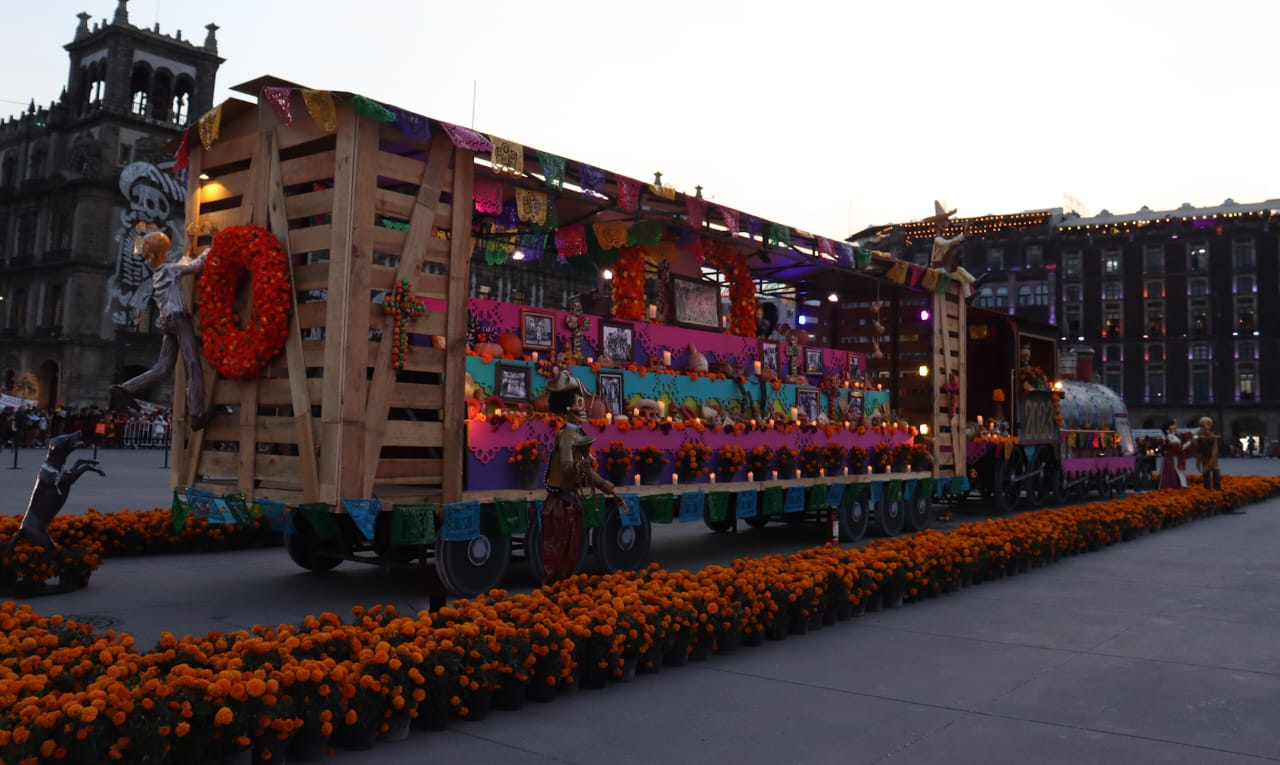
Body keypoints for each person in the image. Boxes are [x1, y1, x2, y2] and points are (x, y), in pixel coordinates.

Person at [109, 231, 215, 431]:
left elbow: (181, 265)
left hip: (166, 322)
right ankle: (197, 413)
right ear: (163, 252)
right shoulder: (170, 270)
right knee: (192, 365)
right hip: (179, 320)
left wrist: (188, 251)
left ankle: (126, 388)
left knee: (163, 367)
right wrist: (212, 247)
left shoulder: (159, 272)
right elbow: (198, 265)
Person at [538, 369, 620, 584]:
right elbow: (567, 466)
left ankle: (560, 592)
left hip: (570, 503)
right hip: (560, 504)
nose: (583, 405)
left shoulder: (576, 434)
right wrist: (583, 468)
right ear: (568, 406)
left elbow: (582, 469)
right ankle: (554, 595)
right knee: (557, 557)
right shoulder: (566, 436)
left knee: (569, 554)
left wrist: (604, 485)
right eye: (578, 401)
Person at [1194, 417, 1224, 492]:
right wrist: (1198, 463)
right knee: (1206, 482)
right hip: (1205, 461)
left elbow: (1214, 453)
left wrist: (1208, 465)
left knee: (1216, 480)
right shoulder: (1200, 438)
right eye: (1201, 426)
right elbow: (1198, 452)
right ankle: (1208, 493)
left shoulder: (1213, 438)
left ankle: (1217, 493)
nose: (1202, 428)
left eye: (1203, 426)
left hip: (1213, 463)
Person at [1157, 419, 1186, 489]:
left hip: (1175, 457)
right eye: (1174, 424)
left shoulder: (1175, 436)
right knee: (1171, 472)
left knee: (1177, 471)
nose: (1176, 426)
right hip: (1170, 458)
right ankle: (1171, 486)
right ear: (1170, 427)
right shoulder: (1168, 437)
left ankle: (1178, 485)